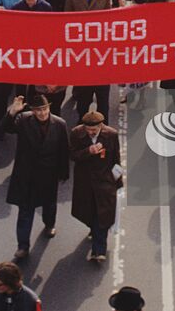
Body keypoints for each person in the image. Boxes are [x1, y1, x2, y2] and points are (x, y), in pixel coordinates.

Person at [5, 93, 70, 261]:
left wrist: (64, 172)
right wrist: (12, 112)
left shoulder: (60, 124)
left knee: (49, 205)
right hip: (27, 175)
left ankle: (49, 224)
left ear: (49, 107)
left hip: (48, 174)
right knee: (25, 212)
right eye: (38, 110)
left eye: (45, 109)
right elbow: (6, 127)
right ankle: (22, 246)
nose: (42, 113)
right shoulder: (24, 120)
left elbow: (64, 150)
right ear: (32, 111)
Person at [69, 109, 121, 265]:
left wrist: (118, 182)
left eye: (94, 129)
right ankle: (93, 227)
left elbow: (116, 157)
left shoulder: (111, 135)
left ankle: (99, 251)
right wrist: (88, 151)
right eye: (88, 129)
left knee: (103, 214)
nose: (91, 132)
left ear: (101, 126)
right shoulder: (76, 133)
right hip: (84, 181)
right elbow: (72, 155)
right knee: (87, 212)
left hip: (104, 180)